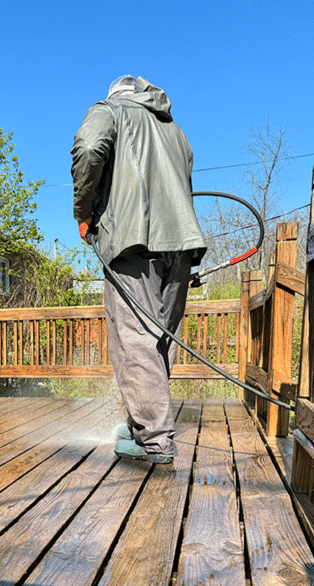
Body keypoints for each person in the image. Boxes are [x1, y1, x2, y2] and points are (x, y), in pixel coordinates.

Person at [71, 75, 207, 463]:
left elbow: (89, 148)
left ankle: (155, 441)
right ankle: (142, 426)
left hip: (134, 243)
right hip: (181, 244)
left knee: (134, 340)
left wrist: (83, 213)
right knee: (159, 337)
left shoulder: (108, 111)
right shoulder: (174, 130)